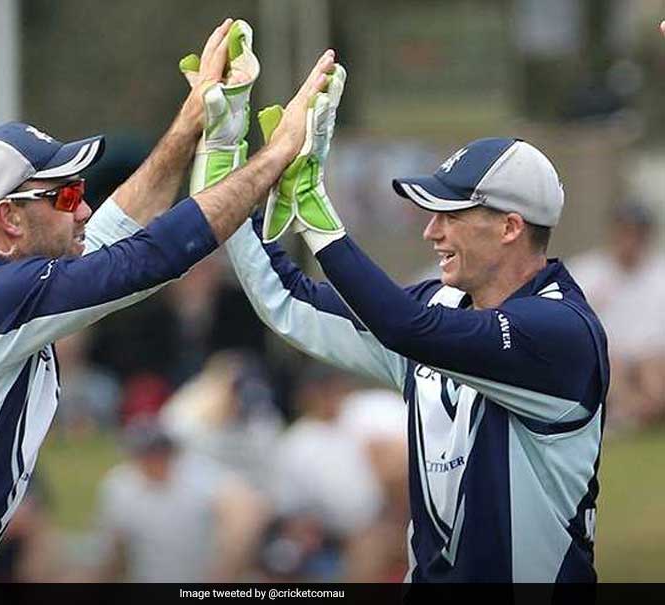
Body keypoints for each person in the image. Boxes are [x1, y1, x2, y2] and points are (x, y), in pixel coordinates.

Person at [0, 17, 339, 581]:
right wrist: (278, 153)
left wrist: (191, 122)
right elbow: (154, 255)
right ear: (9, 218)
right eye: (65, 195)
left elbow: (121, 231)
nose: (83, 209)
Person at [223, 132, 609, 581]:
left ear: (510, 227)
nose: (432, 231)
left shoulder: (561, 332)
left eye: (452, 214)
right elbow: (289, 300)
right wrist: (228, 178)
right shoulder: (436, 312)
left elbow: (404, 327)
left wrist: (315, 217)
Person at [93, 420, 266, 582]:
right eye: (148, 454)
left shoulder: (200, 478)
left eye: (160, 453)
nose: (155, 461)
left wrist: (226, 568)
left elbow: (246, 510)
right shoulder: (120, 485)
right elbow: (114, 547)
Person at [567, 201, 665, 433]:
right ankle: (631, 414)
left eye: (636, 232)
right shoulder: (586, 271)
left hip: (652, 356)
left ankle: (640, 412)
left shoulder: (660, 273)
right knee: (611, 366)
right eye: (625, 231)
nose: (630, 239)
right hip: (608, 357)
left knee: (653, 371)